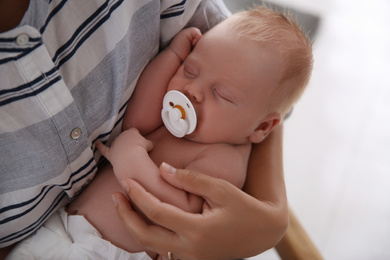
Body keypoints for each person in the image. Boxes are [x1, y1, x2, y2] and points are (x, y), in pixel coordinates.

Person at [6, 6, 313, 259]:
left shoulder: (223, 158)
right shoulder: (171, 126)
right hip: (60, 230)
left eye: (222, 94)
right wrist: (174, 58)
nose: (192, 91)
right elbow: (136, 122)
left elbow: (178, 211)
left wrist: (130, 161)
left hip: (111, 252)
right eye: (191, 70)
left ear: (261, 127)